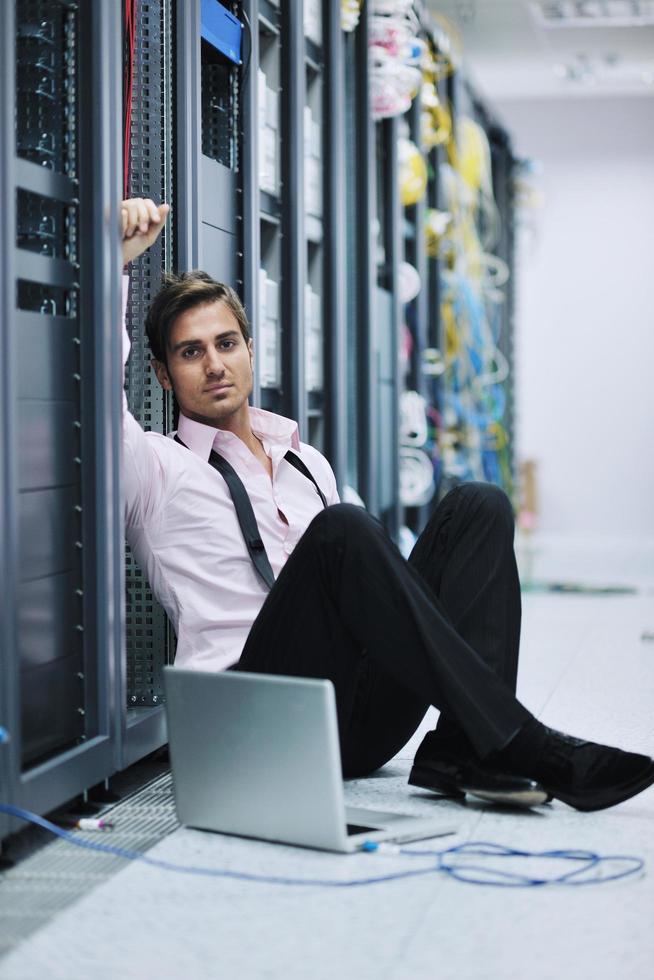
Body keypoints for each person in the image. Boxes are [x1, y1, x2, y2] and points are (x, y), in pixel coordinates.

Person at [120, 196, 654, 812]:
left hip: (358, 718)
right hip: (261, 715)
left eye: (226, 343)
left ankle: (462, 749)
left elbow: (372, 588)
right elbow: (101, 402)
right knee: (344, 529)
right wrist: (119, 264)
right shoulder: (158, 467)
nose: (214, 364)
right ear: (163, 374)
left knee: (477, 506)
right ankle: (520, 738)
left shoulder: (304, 460)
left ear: (249, 350)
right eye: (191, 353)